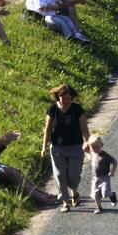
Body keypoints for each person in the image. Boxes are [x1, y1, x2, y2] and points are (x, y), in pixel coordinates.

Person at [42, 84, 90, 212]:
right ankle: (65, 202)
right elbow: (47, 130)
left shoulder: (77, 109)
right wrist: (44, 146)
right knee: (59, 176)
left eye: (69, 98)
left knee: (73, 175)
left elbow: (84, 128)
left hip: (75, 147)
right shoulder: (52, 109)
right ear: (58, 97)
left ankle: (74, 192)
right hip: (58, 148)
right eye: (64, 98)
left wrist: (88, 143)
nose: (67, 101)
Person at [85, 135, 118, 214]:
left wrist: (112, 171)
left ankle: (112, 195)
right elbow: (89, 156)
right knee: (96, 194)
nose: (95, 149)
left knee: (105, 193)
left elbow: (114, 162)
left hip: (104, 178)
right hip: (95, 178)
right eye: (93, 147)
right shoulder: (93, 154)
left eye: (97, 147)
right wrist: (85, 150)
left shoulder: (105, 155)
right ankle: (98, 207)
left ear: (101, 145)